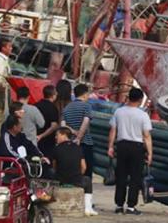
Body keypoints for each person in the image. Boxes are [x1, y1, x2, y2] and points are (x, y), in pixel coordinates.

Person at [107, 87, 153, 215]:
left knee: (121, 175)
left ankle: (119, 205)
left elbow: (113, 131)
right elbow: (146, 136)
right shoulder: (143, 115)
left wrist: (110, 146)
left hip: (121, 145)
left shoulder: (119, 112)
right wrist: (150, 153)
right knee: (135, 177)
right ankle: (131, 206)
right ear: (140, 100)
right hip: (137, 147)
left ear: (128, 97)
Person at [63, 83, 97, 215]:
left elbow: (63, 125)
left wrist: (72, 133)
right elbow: (86, 121)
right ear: (84, 94)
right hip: (85, 143)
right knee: (86, 173)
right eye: (88, 94)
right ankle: (87, 204)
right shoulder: (87, 106)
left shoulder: (67, 108)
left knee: (74, 171)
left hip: (70, 143)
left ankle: (74, 198)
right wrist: (79, 136)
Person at [35, 84, 61, 160]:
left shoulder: (36, 105)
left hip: (34, 138)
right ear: (53, 95)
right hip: (48, 141)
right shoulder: (53, 108)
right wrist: (41, 136)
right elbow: (54, 126)